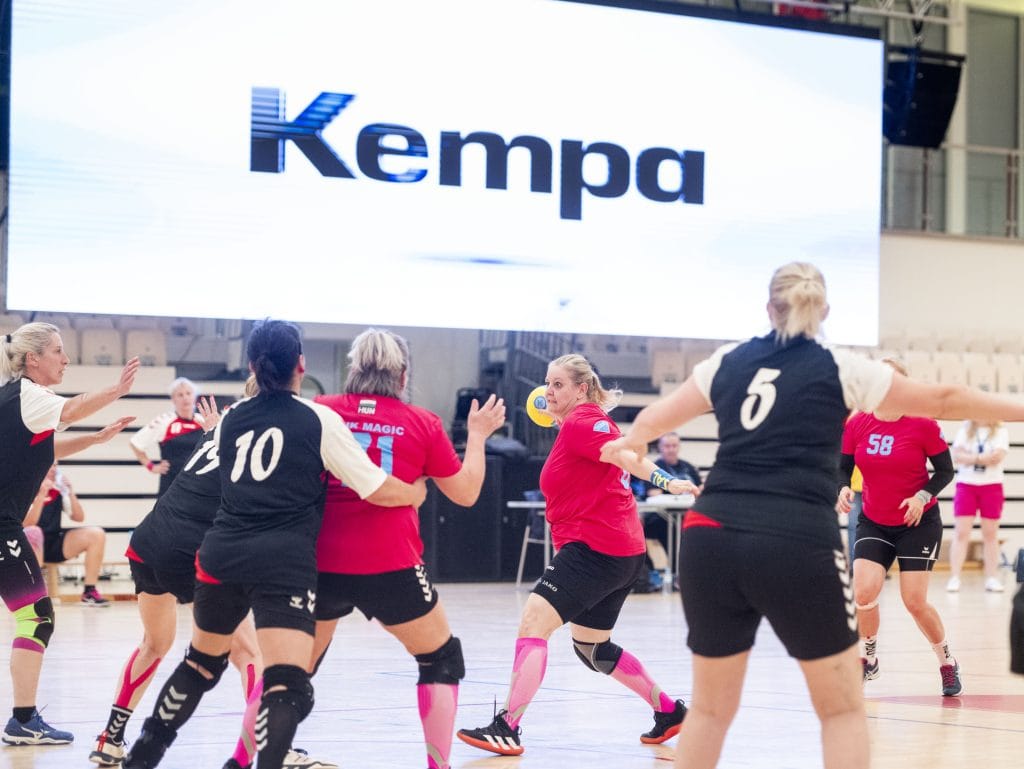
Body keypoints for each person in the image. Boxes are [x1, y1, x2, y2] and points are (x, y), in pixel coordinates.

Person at [597, 262, 1024, 769]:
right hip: (794, 537)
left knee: (709, 711)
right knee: (841, 711)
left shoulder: (726, 361)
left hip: (711, 537)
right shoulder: (841, 367)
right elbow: (948, 399)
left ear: (768, 308)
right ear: (824, 312)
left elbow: (652, 419)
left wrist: (628, 443)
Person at [123, 320, 427, 769]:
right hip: (282, 563)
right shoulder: (318, 418)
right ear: (301, 364)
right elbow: (373, 486)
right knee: (286, 685)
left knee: (198, 666)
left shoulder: (230, 420)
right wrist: (415, 492)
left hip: (221, 555)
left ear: (251, 366)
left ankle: (140, 758)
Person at [457, 353, 697, 757]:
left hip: (595, 549)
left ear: (581, 389)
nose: (548, 391)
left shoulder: (584, 423)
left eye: (558, 385)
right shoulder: (580, 424)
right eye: (547, 383)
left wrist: (664, 479)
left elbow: (622, 454)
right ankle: (669, 712)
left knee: (534, 621)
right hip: (618, 551)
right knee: (592, 648)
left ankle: (507, 727)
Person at [311, 328, 506, 769]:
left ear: (353, 369)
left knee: (290, 671)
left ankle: (257, 755)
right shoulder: (422, 422)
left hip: (321, 561)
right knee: (441, 658)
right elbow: (466, 493)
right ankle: (438, 764)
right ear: (403, 377)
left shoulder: (321, 410)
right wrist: (477, 435)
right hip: (391, 564)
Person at [1, 322, 138, 746]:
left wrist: (95, 440)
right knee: (36, 617)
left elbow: (47, 448)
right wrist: (117, 390)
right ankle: (23, 721)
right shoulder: (30, 396)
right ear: (33, 359)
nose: (66, 359)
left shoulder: (16, 399)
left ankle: (23, 720)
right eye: (58, 351)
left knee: (35, 617)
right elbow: (74, 408)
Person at [837, 358, 960, 696]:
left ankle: (947, 661)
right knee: (863, 592)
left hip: (916, 522)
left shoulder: (923, 424)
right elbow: (843, 467)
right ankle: (869, 658)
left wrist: (922, 496)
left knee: (914, 601)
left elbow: (945, 471)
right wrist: (843, 488)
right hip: (874, 520)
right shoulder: (857, 423)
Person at [23, 463, 111, 607]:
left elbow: (79, 517)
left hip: (53, 544)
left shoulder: (57, 491)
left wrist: (70, 492)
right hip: (28, 547)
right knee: (34, 531)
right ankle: (35, 594)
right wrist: (41, 494)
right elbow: (28, 524)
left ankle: (89, 592)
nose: (53, 469)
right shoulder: (26, 489)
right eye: (50, 465)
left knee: (97, 534)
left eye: (55, 466)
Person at [632, 432, 701, 591]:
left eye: (674, 445)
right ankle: (675, 574)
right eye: (667, 446)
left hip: (685, 515)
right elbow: (653, 493)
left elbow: (698, 489)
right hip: (658, 516)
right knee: (669, 527)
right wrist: (678, 491)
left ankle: (688, 573)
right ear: (660, 447)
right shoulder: (655, 467)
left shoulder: (687, 467)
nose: (671, 449)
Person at [947, 419, 1009, 592]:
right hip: (966, 485)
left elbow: (997, 457)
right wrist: (981, 458)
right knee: (961, 532)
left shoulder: (1001, 430)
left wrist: (970, 458)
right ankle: (954, 577)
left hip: (992, 486)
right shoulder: (965, 428)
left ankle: (992, 578)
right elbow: (957, 456)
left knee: (990, 534)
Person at [130, 377, 205, 496]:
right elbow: (135, 443)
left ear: (194, 397)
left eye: (188, 393)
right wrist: (151, 466)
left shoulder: (203, 421)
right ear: (173, 399)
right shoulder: (164, 421)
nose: (185, 398)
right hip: (171, 485)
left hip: (200, 485)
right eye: (180, 395)